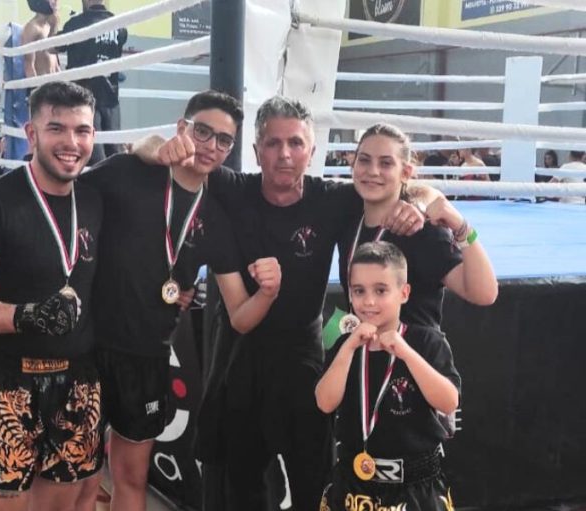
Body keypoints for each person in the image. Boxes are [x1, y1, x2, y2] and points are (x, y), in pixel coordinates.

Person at [0, 90, 282, 511]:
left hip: (136, 358)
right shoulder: (124, 173)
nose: (210, 145)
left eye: (223, 139)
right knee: (76, 486)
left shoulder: (211, 217)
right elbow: (54, 189)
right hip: (72, 358)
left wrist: (268, 292)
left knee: (117, 482)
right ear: (182, 128)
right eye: (202, 131)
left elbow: (239, 314)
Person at [147, 96, 433, 510]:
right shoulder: (233, 188)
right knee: (241, 486)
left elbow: (400, 184)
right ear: (256, 150)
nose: (285, 154)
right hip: (240, 355)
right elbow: (155, 152)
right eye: (273, 143)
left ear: (311, 151)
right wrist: (160, 146)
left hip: (303, 358)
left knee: (312, 484)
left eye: (296, 143)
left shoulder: (332, 199)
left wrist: (422, 202)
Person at [0, 81, 104, 511]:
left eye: (82, 130)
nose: (71, 142)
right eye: (57, 128)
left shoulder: (96, 197)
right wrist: (28, 316)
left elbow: (151, 156)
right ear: (31, 134)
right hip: (4, 381)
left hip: (76, 382)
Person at [316, 241, 461, 510]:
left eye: (381, 290)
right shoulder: (344, 346)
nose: (369, 301)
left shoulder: (426, 342)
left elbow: (448, 402)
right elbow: (325, 403)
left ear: (404, 293)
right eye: (359, 291)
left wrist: (406, 353)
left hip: (415, 486)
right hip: (354, 486)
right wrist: (349, 346)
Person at [339, 123, 497, 329]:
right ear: (353, 164)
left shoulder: (421, 229)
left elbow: (484, 294)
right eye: (364, 160)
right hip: (365, 347)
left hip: (415, 348)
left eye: (386, 163)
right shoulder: (347, 216)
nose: (373, 171)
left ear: (405, 172)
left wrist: (461, 227)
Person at [59, 0, 128, 163]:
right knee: (114, 152)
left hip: (83, 99)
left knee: (93, 155)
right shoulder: (119, 26)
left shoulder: (75, 24)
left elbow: (52, 47)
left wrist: (53, 21)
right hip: (111, 98)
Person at [22, 0, 60, 78]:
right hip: (42, 83)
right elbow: (29, 65)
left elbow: (55, 63)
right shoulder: (32, 28)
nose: (56, 2)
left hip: (54, 82)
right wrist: (36, 85)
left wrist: (53, 28)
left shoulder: (49, 25)